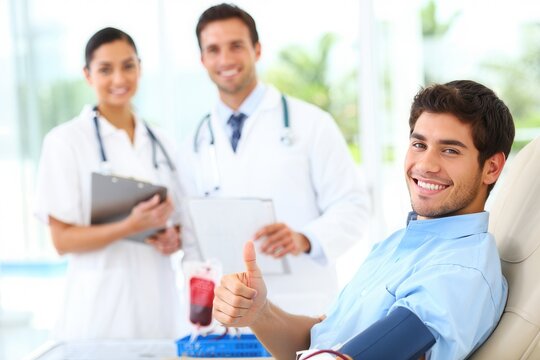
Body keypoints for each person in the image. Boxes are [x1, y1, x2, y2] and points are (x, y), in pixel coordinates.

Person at [213, 80, 515, 360]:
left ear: (491, 168)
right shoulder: (397, 245)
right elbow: (320, 339)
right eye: (419, 145)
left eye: (450, 150)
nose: (425, 164)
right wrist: (260, 312)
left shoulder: (458, 273)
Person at [177, 3, 369, 316]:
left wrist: (305, 238)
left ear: (257, 49)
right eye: (213, 49)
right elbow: (192, 239)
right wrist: (202, 314)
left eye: (236, 46)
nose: (225, 59)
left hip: (303, 308)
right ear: (202, 59)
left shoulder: (311, 124)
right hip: (230, 319)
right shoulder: (192, 145)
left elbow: (354, 207)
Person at [34, 27, 184, 340]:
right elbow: (62, 241)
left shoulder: (164, 143)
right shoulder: (65, 142)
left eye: (128, 66)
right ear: (88, 75)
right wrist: (130, 226)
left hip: (159, 307)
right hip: (99, 312)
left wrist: (174, 238)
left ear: (140, 68)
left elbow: (181, 222)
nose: (119, 79)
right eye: (105, 69)